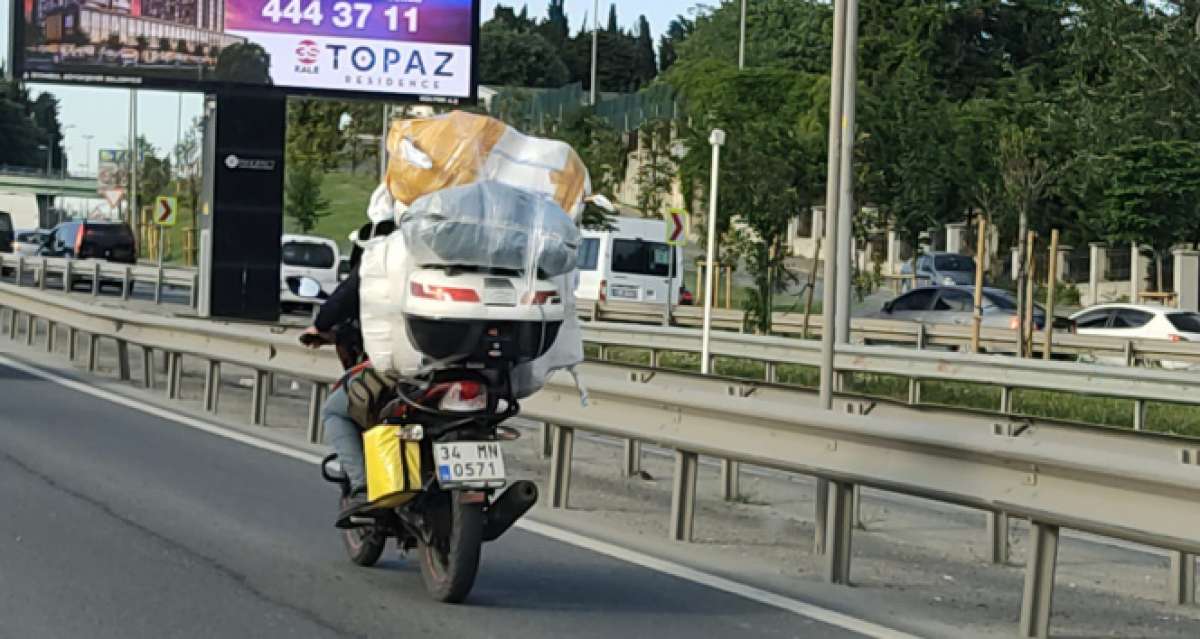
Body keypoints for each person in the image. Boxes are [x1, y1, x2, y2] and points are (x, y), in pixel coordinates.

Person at [301, 221, 394, 517]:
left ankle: (362, 487)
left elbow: (340, 302)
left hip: (401, 369)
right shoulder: (447, 266)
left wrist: (320, 326)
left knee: (335, 410)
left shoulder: (380, 265)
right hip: (466, 370)